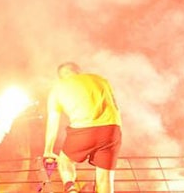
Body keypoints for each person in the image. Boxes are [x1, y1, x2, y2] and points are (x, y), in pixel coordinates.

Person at [42, 62, 123, 193]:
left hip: (83, 129)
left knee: (64, 160)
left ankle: (71, 189)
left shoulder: (58, 87)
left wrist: (48, 150)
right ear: (78, 71)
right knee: (105, 179)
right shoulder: (100, 79)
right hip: (112, 130)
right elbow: (115, 105)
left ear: (61, 76)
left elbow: (53, 120)